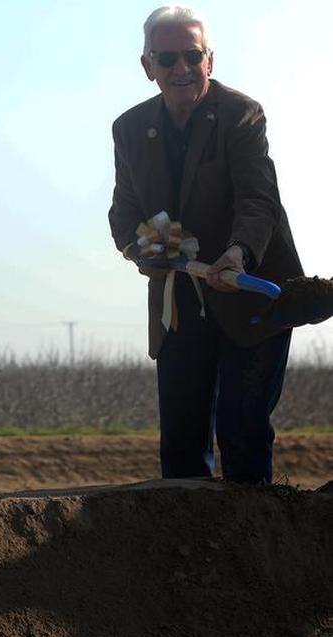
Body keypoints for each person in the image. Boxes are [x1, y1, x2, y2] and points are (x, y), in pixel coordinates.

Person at [108, 6, 303, 484]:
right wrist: (140, 248)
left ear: (209, 61)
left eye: (192, 57)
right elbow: (124, 211)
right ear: (147, 65)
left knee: (240, 426)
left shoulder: (241, 115)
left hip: (253, 290)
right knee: (181, 437)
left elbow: (259, 201)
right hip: (182, 298)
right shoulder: (129, 129)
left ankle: (251, 540)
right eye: (167, 58)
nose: (181, 69)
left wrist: (238, 253)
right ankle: (188, 551)